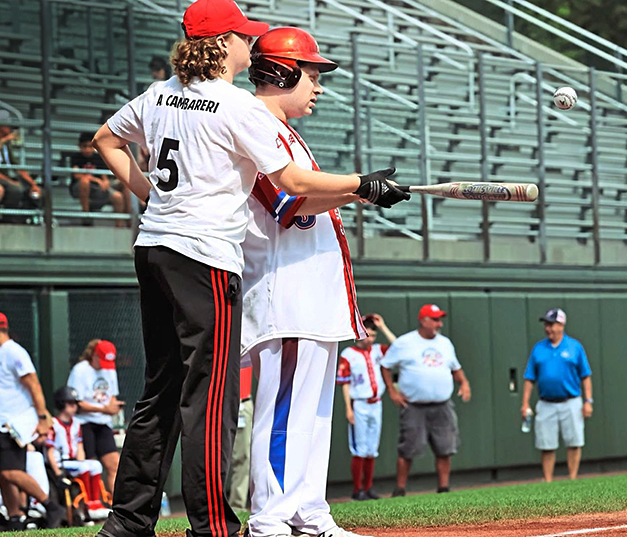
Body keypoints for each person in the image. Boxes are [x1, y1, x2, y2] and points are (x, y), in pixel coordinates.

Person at [90, 1, 407, 536]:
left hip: (155, 247)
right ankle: (214, 526)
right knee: (210, 400)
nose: (250, 46)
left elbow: (105, 139)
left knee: (161, 390)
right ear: (224, 43)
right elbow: (293, 185)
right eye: (244, 36)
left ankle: (128, 521)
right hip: (204, 253)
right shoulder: (236, 106)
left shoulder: (159, 93)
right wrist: (359, 183)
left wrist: (152, 195)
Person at [242, 27, 399, 537]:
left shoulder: (286, 130)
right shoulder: (255, 123)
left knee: (313, 415)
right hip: (285, 292)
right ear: (281, 72)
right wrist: (360, 187)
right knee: (284, 409)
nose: (318, 85)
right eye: (311, 74)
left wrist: (360, 193)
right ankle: (270, 519)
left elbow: (305, 199)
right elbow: (287, 204)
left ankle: (309, 513)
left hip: (311, 294)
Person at [0, 311, 66, 529]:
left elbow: (33, 383)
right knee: (1, 473)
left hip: (15, 423)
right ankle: (15, 517)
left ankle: (50, 505)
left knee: (11, 471)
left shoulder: (13, 352)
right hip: (0, 423)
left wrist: (42, 416)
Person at [380, 304, 471, 497]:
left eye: (440, 319)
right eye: (435, 319)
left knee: (445, 448)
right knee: (408, 449)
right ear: (424, 321)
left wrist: (464, 383)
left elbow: (455, 368)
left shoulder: (445, 343)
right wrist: (392, 391)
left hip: (442, 405)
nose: (439, 324)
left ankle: (444, 489)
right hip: (414, 406)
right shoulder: (405, 343)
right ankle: (400, 490)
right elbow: (385, 366)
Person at [521, 308, 593, 483]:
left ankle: (573, 478)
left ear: (561, 325)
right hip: (546, 402)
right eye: (546, 324)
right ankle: (548, 481)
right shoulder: (538, 349)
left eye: (551, 324)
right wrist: (525, 404)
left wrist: (588, 401)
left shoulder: (574, 347)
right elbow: (529, 378)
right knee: (546, 444)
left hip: (571, 401)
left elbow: (585, 376)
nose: (548, 328)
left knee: (574, 442)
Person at [336, 314, 396, 501]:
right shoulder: (348, 354)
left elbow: (400, 348)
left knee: (372, 448)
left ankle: (368, 487)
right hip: (359, 404)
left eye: (373, 335)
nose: (370, 339)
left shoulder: (378, 350)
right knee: (360, 449)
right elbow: (344, 382)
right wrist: (348, 408)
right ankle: (357, 490)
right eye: (367, 334)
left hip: (376, 403)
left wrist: (383, 326)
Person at [46, 386, 111, 520]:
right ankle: (87, 504)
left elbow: (80, 447)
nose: (74, 407)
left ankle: (95, 503)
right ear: (62, 404)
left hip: (74, 462)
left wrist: (82, 461)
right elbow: (50, 451)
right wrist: (58, 474)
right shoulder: (53, 423)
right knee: (85, 467)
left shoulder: (77, 423)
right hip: (61, 463)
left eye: (75, 404)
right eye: (70, 403)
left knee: (95, 465)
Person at [66, 339, 122, 496]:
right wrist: (104, 409)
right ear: (94, 356)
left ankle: (116, 505)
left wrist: (112, 407)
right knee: (91, 465)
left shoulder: (109, 370)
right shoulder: (80, 370)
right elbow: (77, 402)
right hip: (84, 423)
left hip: (103, 423)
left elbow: (112, 395)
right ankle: (93, 504)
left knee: (114, 464)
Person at [0, 109, 42, 216]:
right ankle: (7, 217)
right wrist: (8, 180)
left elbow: (15, 166)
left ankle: (31, 217)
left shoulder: (6, 144)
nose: (11, 129)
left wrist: (33, 184)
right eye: (9, 126)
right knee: (15, 189)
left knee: (38, 189)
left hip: (4, 176)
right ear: (1, 126)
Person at [69, 132, 129, 226]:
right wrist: (95, 180)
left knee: (118, 197)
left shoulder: (99, 158)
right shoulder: (76, 157)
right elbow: (77, 175)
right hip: (80, 187)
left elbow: (103, 175)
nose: (87, 149)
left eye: (90, 146)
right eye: (85, 146)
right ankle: (86, 215)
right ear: (80, 147)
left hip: (98, 187)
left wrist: (105, 182)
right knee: (84, 181)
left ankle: (120, 224)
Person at [226, 366, 252, 512]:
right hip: (220, 401)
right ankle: (211, 507)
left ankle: (237, 506)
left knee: (243, 457)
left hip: (243, 402)